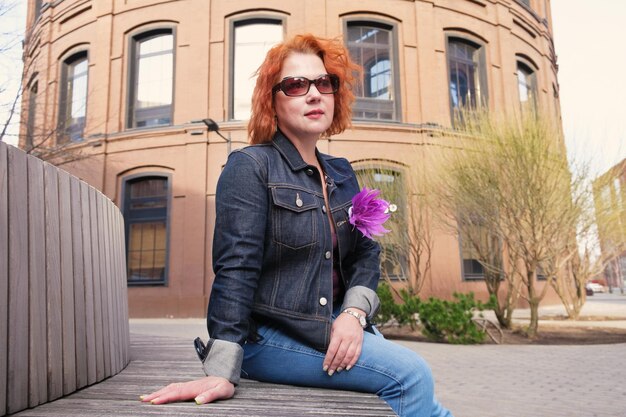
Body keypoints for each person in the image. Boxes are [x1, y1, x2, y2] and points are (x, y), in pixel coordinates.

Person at [141, 34, 453, 417]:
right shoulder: (250, 167)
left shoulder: (342, 174)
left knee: (408, 398)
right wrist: (221, 370)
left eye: (324, 83)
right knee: (412, 376)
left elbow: (367, 255)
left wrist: (354, 315)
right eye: (296, 85)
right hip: (269, 338)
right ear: (271, 100)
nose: (314, 94)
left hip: (334, 326)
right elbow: (235, 268)